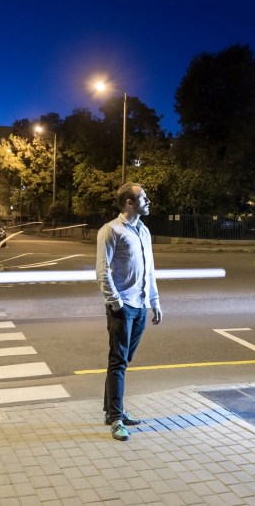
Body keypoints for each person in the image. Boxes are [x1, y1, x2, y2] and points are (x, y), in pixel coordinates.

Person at [96, 182, 162, 441]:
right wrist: (116, 303)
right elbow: (102, 271)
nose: (148, 201)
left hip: (141, 305)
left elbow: (149, 270)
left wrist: (155, 301)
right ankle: (116, 418)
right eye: (143, 198)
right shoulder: (111, 231)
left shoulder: (144, 231)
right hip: (123, 307)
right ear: (129, 203)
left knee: (123, 360)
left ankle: (111, 409)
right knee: (118, 361)